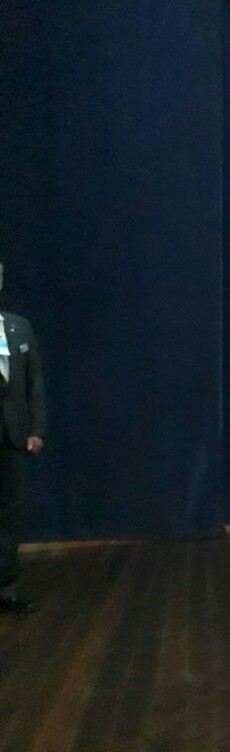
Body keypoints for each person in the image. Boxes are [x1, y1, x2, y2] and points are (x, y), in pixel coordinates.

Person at [0, 261, 47, 614]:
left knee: (9, 515)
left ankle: (5, 586)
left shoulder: (19, 327)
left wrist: (36, 429)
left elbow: (34, 383)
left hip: (12, 436)